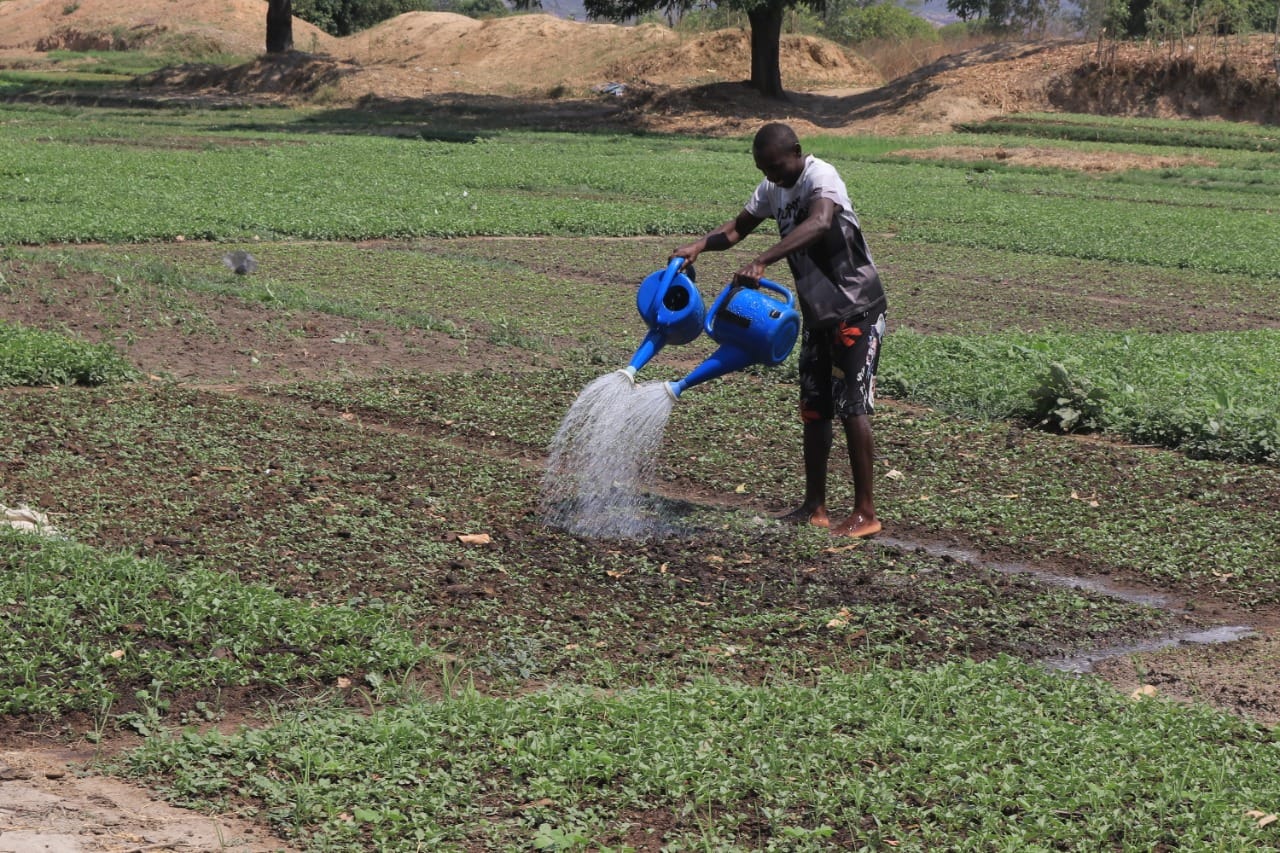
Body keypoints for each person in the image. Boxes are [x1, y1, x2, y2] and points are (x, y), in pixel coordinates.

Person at [671, 122, 888, 538]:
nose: (770, 175)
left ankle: (865, 512)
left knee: (852, 406)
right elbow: (736, 229)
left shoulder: (820, 176)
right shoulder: (772, 189)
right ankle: (815, 507)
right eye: (763, 168)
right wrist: (700, 245)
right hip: (819, 314)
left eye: (774, 166)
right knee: (814, 408)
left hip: (856, 307)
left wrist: (764, 260)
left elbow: (821, 222)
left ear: (796, 152)